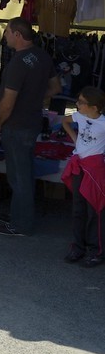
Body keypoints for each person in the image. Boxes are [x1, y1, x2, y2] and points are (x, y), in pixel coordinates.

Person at [0, 19, 60, 238]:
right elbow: (56, 86)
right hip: (31, 122)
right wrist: (35, 97)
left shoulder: (18, 63)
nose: (5, 36)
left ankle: (21, 224)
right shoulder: (42, 55)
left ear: (18, 35)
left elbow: (8, 102)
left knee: (18, 176)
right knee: (24, 172)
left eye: (8, 33)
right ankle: (19, 215)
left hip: (17, 124)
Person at [60, 85, 105, 266]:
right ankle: (78, 247)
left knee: (95, 211)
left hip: (95, 170)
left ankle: (97, 250)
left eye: (81, 102)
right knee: (78, 208)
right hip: (78, 166)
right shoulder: (80, 116)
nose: (77, 105)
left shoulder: (103, 124)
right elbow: (65, 120)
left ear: (94, 107)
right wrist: (75, 138)